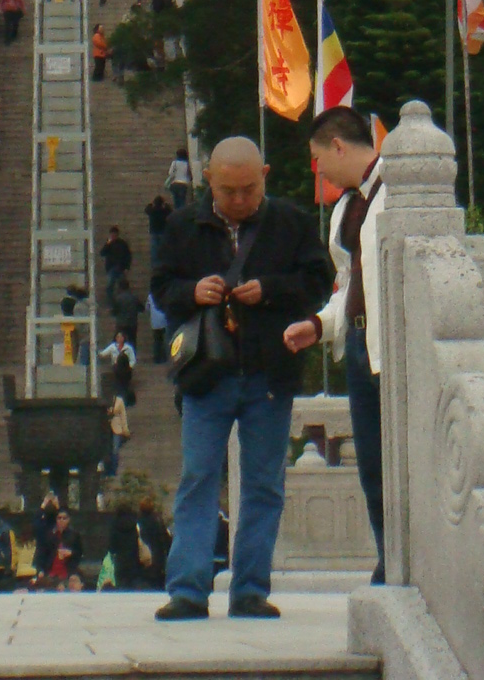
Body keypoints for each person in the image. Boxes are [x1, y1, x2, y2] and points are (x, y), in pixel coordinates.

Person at [151, 135, 331, 622]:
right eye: (228, 190)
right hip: (207, 375)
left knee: (263, 483)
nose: (238, 200)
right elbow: (161, 289)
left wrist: (270, 289)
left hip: (270, 373)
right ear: (208, 179)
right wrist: (194, 291)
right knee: (198, 477)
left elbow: (319, 282)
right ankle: (188, 589)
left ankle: (250, 588)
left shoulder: (291, 222)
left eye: (249, 190)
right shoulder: (182, 225)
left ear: (264, 177)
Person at [282, 105, 388, 583]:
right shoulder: (345, 208)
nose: (318, 169)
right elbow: (347, 285)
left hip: (394, 346)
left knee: (401, 462)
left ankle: (409, 561)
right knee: (372, 466)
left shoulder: (400, 191)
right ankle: (389, 558)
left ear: (338, 146)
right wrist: (320, 325)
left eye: (318, 158)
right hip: (360, 341)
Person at [105, 389, 130, 477]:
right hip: (106, 428)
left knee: (115, 450)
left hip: (117, 428)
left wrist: (125, 429)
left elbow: (123, 415)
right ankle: (107, 470)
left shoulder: (119, 401)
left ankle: (114, 470)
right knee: (107, 450)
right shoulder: (105, 400)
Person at [145, 192, 173, 264]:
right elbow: (171, 211)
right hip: (163, 230)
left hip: (154, 230)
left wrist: (151, 204)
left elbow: (146, 209)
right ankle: (163, 262)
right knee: (163, 247)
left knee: (154, 248)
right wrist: (166, 204)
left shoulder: (152, 210)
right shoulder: (164, 210)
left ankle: (155, 263)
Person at [147, 287, 169, 363]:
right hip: (164, 320)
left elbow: (147, 308)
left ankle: (157, 358)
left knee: (157, 341)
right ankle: (164, 357)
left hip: (155, 322)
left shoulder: (150, 296)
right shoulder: (165, 294)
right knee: (164, 340)